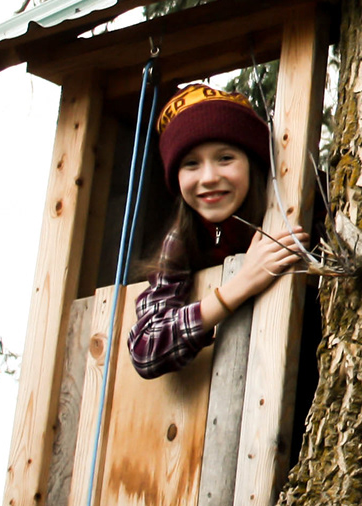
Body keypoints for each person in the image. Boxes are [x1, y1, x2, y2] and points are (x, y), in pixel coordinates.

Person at [129, 84, 306, 379]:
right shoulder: (184, 238)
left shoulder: (301, 208)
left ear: (252, 162)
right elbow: (145, 349)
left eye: (225, 158)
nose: (209, 177)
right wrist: (242, 283)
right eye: (191, 164)